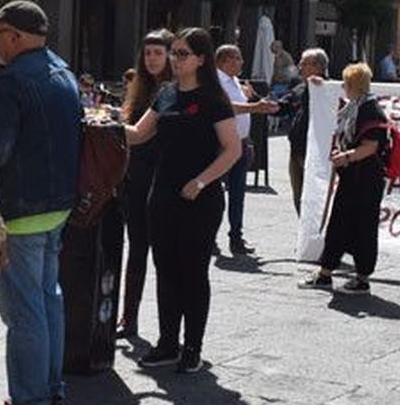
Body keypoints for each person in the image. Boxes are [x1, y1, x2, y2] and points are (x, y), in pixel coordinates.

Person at [0, 0, 81, 405]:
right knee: (48, 301)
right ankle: (52, 397)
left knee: (24, 311)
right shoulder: (64, 72)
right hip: (59, 206)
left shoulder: (9, 82)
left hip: (20, 212)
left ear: (15, 36)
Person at [122, 28, 240, 372]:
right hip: (162, 194)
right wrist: (103, 123)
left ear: (201, 59)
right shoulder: (166, 94)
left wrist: (201, 181)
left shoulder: (214, 98)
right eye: (174, 52)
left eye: (182, 53)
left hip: (200, 198)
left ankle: (192, 347)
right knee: (166, 269)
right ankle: (167, 343)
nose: (175, 59)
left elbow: (232, 150)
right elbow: (138, 134)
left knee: (193, 272)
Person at [303, 63, 390, 295]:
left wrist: (346, 157)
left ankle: (358, 278)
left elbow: (371, 146)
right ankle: (326, 273)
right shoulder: (355, 107)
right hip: (354, 179)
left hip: (365, 180)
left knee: (361, 227)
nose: (342, 87)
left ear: (354, 85)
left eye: (346, 83)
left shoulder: (370, 110)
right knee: (341, 224)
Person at [117, 30, 173, 340]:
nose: (151, 59)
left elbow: (139, 134)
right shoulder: (140, 88)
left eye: (158, 53)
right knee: (137, 250)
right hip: (135, 179)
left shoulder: (172, 90)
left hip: (161, 179)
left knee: (163, 256)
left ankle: (167, 331)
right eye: (147, 53)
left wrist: (110, 126)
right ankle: (129, 318)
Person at [214, 44, 278, 256]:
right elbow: (226, 107)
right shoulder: (215, 82)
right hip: (221, 146)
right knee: (215, 194)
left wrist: (254, 101)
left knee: (238, 193)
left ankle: (236, 237)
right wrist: (254, 107)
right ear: (225, 60)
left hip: (240, 143)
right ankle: (210, 236)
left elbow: (241, 108)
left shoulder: (235, 82)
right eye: (237, 58)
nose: (242, 62)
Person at [284, 48, 329, 214]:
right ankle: (304, 228)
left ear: (318, 67)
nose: (300, 67)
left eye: (304, 64)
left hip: (316, 154)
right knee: (299, 198)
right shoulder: (300, 88)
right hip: (296, 151)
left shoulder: (329, 89)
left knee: (315, 199)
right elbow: (283, 105)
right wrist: (257, 101)